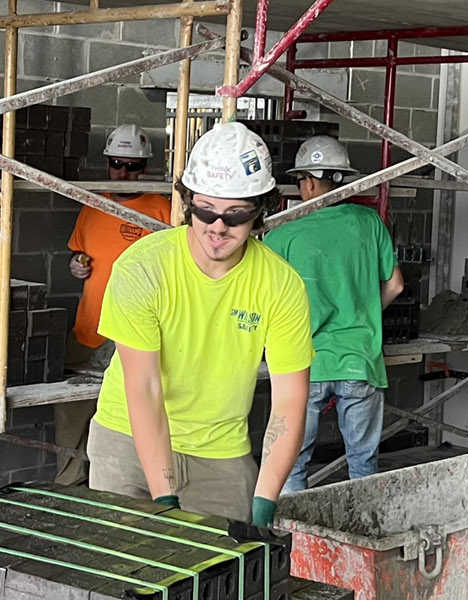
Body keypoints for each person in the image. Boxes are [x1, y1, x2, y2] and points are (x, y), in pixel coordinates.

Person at [86, 122, 314, 526]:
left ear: (261, 210)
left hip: (220, 453)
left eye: (236, 215)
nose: (218, 226)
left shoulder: (281, 285)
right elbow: (145, 387)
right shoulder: (143, 268)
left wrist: (265, 499)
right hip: (127, 442)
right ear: (189, 201)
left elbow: (288, 402)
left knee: (221, 577)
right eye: (206, 210)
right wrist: (164, 496)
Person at [264, 136, 405, 494]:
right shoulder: (370, 223)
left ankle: (297, 544)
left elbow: (264, 302)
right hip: (360, 359)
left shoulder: (282, 235)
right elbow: (396, 285)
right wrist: (365, 312)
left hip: (302, 365)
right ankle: (365, 542)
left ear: (308, 182)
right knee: (363, 466)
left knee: (292, 464)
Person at [54, 124, 175, 486]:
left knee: (129, 419)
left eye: (133, 166)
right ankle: (70, 491)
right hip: (89, 330)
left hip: (136, 337)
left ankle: (128, 490)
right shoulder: (94, 205)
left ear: (146, 167)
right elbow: (79, 255)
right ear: (108, 163)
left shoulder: (163, 210)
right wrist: (76, 264)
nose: (124, 172)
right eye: (117, 164)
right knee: (72, 418)